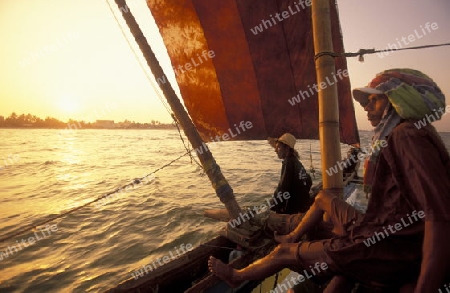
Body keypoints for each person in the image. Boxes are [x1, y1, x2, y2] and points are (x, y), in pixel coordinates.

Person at [208, 68, 450, 292]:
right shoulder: (414, 132)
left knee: (284, 252)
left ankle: (237, 277)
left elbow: (438, 216)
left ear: (400, 99)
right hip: (385, 230)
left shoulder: (405, 136)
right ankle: (301, 237)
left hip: (392, 245)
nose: (366, 107)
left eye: (374, 99)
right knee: (325, 203)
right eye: (366, 102)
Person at [270, 133, 312, 214]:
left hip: (294, 210)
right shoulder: (297, 162)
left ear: (286, 148)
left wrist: (273, 207)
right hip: (304, 205)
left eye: (278, 147)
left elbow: (283, 188)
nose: (275, 150)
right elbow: (308, 181)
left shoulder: (288, 162)